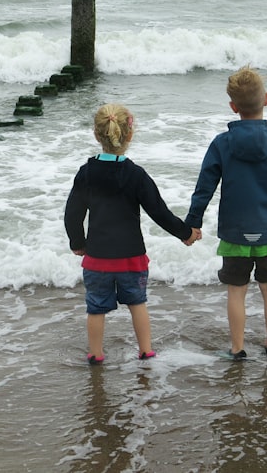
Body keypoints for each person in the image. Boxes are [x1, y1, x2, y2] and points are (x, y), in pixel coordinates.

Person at [65, 103, 201, 366]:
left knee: (96, 308)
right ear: (129, 135)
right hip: (131, 259)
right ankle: (146, 351)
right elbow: (159, 212)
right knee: (137, 304)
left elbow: (73, 213)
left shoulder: (87, 173)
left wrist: (78, 243)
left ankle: (95, 354)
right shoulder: (135, 174)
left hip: (97, 259)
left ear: (96, 134)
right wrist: (185, 233)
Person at [185, 66, 267, 360]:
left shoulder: (222, 144)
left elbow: (204, 187)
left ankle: (237, 349)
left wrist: (193, 222)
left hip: (236, 232)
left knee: (237, 291)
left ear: (233, 107)